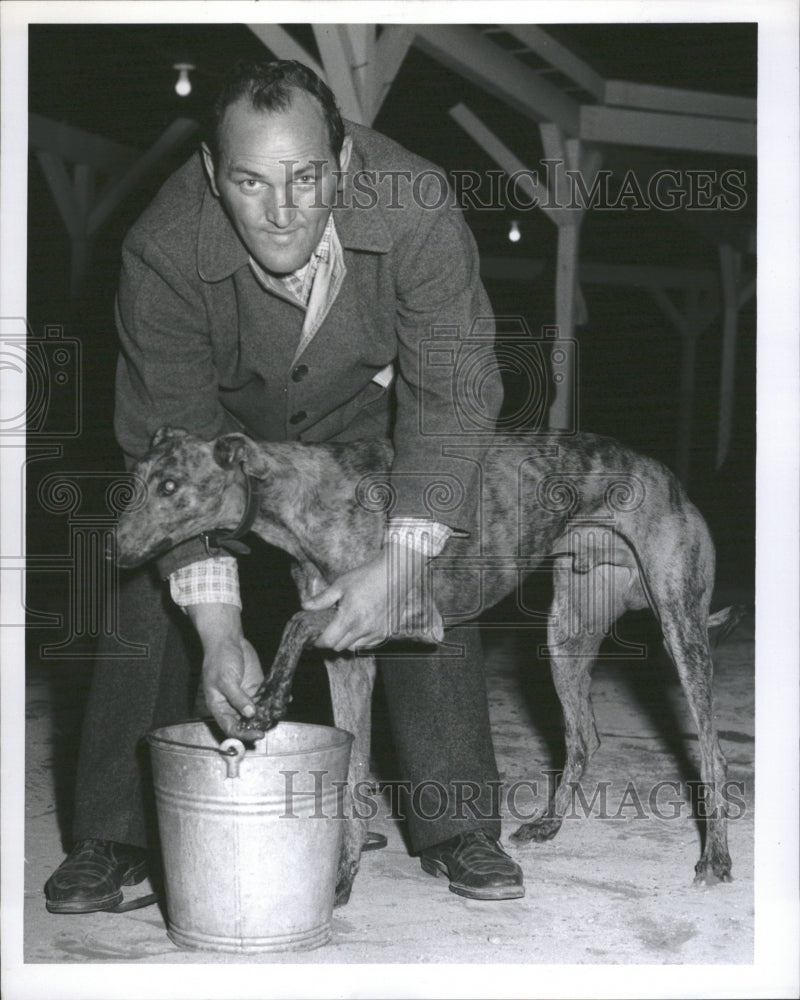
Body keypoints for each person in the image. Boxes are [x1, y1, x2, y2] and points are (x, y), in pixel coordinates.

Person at [44, 58, 524, 913]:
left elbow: (452, 398)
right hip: (225, 426)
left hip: (372, 420)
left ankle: (457, 821)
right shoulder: (160, 249)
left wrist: (404, 563)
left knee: (416, 557)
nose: (282, 210)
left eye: (306, 178)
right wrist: (219, 624)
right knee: (141, 561)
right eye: (250, 181)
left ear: (343, 164)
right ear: (210, 175)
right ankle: (111, 835)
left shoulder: (418, 207)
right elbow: (171, 440)